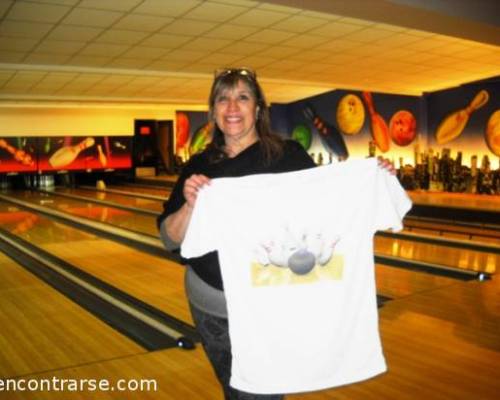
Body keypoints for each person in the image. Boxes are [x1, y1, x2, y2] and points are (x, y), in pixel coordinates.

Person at [157, 67, 395, 400]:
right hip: (213, 307)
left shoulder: (288, 156)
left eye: (243, 97)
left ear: (258, 109)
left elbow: (326, 209)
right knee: (236, 390)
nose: (232, 108)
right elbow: (169, 238)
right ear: (213, 112)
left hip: (273, 305)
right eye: (223, 99)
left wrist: (371, 179)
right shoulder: (199, 167)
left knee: (262, 393)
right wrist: (190, 205)